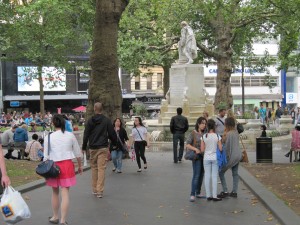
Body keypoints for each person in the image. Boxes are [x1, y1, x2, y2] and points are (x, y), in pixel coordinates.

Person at [44, 115, 82, 225]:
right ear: (64, 123)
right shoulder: (70, 135)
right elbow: (77, 153)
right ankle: (63, 220)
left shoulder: (49, 137)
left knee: (54, 192)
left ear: (53, 123)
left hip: (53, 166)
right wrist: (80, 166)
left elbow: (45, 156)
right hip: (67, 165)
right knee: (65, 193)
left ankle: (55, 216)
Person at [82, 102, 117, 198]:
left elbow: (86, 135)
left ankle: (94, 189)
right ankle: (100, 191)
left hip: (92, 147)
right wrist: (114, 144)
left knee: (94, 168)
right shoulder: (106, 121)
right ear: (102, 109)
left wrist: (84, 147)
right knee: (101, 168)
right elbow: (112, 134)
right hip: (103, 147)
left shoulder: (89, 121)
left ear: (94, 109)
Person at [217, 117, 242, 198]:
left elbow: (227, 147)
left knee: (221, 172)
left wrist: (225, 158)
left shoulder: (228, 134)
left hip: (231, 156)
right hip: (238, 155)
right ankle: (234, 191)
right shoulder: (235, 132)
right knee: (235, 173)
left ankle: (225, 190)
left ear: (227, 124)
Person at [201, 119, 222, 201]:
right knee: (214, 176)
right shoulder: (217, 136)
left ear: (207, 126)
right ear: (214, 126)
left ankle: (208, 195)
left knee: (207, 176)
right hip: (215, 158)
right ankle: (214, 195)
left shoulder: (204, 136)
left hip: (206, 158)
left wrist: (207, 148)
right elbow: (220, 148)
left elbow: (202, 150)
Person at [186, 117, 207, 202]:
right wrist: (195, 149)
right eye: (202, 123)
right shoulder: (193, 133)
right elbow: (187, 144)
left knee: (201, 175)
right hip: (196, 156)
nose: (204, 125)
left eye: (205, 124)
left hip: (204, 157)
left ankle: (198, 192)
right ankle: (192, 194)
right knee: (196, 175)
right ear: (198, 124)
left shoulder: (206, 133)